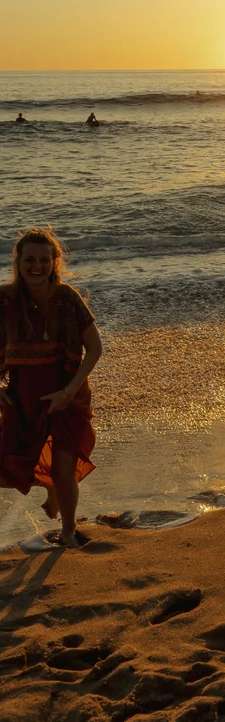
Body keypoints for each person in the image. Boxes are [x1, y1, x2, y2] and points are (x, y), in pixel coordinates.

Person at [0, 228, 102, 546]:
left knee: (63, 467)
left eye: (44, 260)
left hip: (67, 394)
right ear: (19, 261)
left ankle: (69, 532)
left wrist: (68, 392)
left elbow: (95, 349)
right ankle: (51, 489)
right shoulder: (4, 300)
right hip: (23, 395)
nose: (37, 266)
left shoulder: (68, 298)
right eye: (30, 259)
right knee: (7, 464)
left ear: (54, 262)